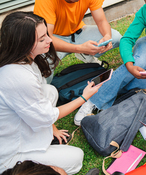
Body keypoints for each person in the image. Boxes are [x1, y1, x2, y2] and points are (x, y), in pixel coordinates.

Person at [0, 12, 101, 174]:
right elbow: (46, 115)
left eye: (46, 34)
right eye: (41, 39)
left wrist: (52, 129)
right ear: (23, 44)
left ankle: (45, 138)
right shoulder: (17, 77)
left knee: (50, 91)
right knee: (76, 158)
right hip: (12, 152)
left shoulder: (22, 60)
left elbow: (40, 106)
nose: (49, 40)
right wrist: (84, 97)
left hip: (22, 124)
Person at [33, 0, 122, 69]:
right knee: (43, 66)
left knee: (115, 37)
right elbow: (47, 37)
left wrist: (107, 36)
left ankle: (85, 54)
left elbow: (101, 21)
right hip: (55, 38)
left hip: (79, 33)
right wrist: (79, 48)